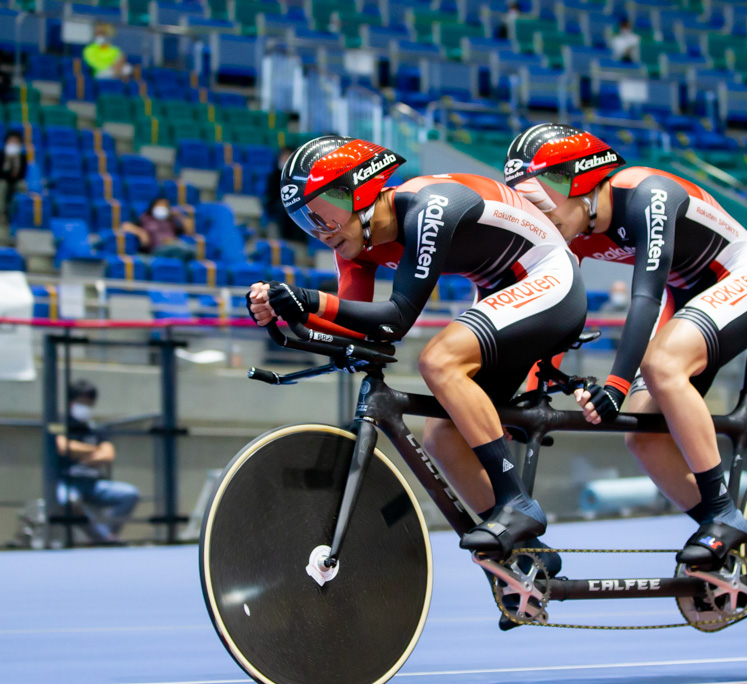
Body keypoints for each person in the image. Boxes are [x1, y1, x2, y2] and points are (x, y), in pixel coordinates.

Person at [247, 136, 587, 623]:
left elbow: (395, 320)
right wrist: (282, 315)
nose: (319, 231)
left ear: (360, 192)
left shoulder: (430, 207)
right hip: (507, 294)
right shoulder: (354, 243)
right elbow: (359, 331)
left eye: (323, 213)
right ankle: (529, 556)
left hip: (552, 282)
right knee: (444, 435)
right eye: (306, 221)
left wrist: (308, 300)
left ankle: (517, 503)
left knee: (440, 360)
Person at [504, 123, 747, 570]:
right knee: (643, 439)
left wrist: (614, 384)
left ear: (579, 182)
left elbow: (645, 297)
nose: (538, 216)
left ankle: (725, 515)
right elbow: (559, 312)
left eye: (539, 200)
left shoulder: (647, 194)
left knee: (662, 365)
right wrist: (537, 384)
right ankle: (718, 528)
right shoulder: (572, 227)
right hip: (687, 293)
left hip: (741, 277)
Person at [55, 380, 140, 545]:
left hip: (95, 484)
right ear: (71, 402)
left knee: (130, 494)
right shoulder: (61, 424)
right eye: (81, 402)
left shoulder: (96, 429)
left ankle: (109, 535)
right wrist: (95, 450)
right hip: (69, 482)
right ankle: (100, 537)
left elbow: (108, 454)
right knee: (69, 500)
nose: (85, 406)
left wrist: (79, 451)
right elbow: (63, 446)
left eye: (88, 403)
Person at [122, 197, 193, 259]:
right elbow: (125, 226)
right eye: (159, 205)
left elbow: (189, 231)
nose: (162, 207)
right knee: (179, 249)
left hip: (174, 247)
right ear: (153, 206)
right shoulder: (145, 219)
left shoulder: (170, 222)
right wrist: (141, 232)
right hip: (156, 250)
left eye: (165, 206)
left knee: (190, 250)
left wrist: (180, 216)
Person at [264, 146, 307, 243]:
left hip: (293, 202)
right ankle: (284, 239)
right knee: (284, 208)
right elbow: (271, 195)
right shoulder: (274, 175)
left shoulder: (298, 176)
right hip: (277, 204)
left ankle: (300, 242)